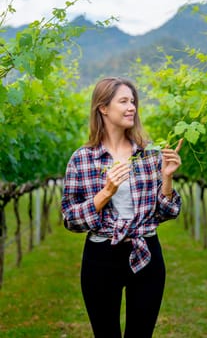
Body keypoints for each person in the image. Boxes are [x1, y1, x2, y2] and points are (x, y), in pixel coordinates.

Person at [61, 76, 182, 338]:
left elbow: (168, 212)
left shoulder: (149, 154)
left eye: (133, 101)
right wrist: (106, 193)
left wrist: (168, 179)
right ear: (103, 108)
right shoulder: (82, 159)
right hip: (101, 256)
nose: (132, 107)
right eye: (124, 101)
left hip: (146, 251)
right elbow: (70, 219)